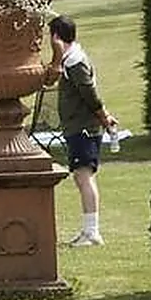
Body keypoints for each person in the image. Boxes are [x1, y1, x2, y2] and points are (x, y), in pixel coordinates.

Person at [49, 15, 119, 247]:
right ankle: (88, 231)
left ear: (56, 36)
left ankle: (92, 232)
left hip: (83, 128)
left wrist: (104, 116)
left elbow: (89, 94)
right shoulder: (70, 59)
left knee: (83, 176)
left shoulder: (74, 61)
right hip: (78, 126)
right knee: (82, 176)